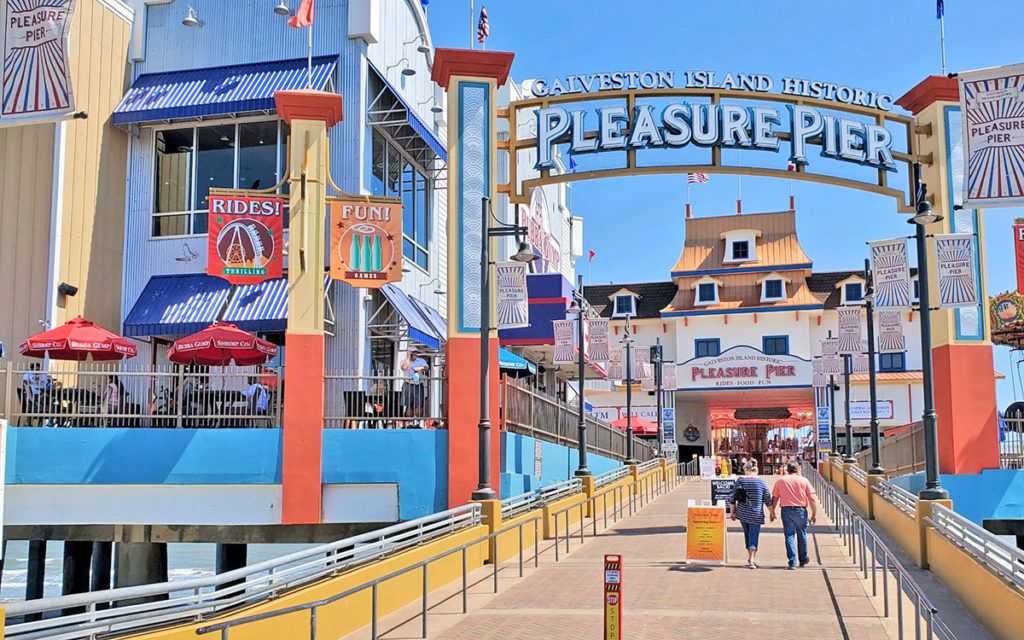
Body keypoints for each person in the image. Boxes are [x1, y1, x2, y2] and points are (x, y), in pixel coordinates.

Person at [770, 459, 820, 569]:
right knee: (802, 534)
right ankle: (802, 559)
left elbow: (775, 498)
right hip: (800, 510)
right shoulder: (804, 480)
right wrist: (814, 514)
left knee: (789, 535)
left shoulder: (780, 481)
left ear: (787, 470)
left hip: (786, 510)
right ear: (798, 470)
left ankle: (792, 561)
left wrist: (772, 512)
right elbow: (812, 498)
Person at [728, 460, 773, 569]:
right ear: (756, 469)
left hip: (743, 513)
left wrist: (732, 512)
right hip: (756, 514)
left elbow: (732, 498)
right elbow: (767, 500)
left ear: (746, 469)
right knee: (754, 535)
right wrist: (772, 512)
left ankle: (750, 558)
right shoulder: (761, 482)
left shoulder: (740, 481)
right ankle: (752, 559)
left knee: (747, 535)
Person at [400, 350, 429, 427]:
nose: (414, 353)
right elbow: (404, 367)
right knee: (408, 405)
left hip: (418, 384)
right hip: (408, 384)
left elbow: (427, 369)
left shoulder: (421, 360)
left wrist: (420, 368)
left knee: (419, 405)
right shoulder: (404, 361)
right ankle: (410, 423)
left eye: (415, 352)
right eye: (412, 352)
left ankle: (417, 423)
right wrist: (408, 358)